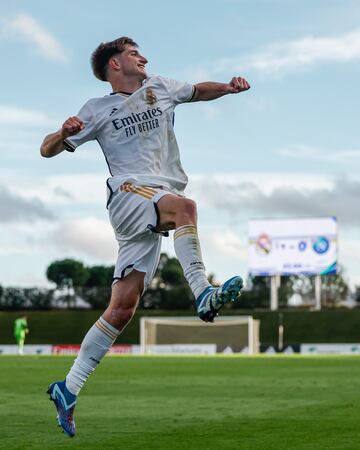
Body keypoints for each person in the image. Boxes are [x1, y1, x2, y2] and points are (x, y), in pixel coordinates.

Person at [41, 36, 250, 437]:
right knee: (185, 208)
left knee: (122, 308)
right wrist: (61, 131)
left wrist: (226, 87)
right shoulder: (96, 109)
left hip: (154, 199)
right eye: (135, 53)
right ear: (114, 64)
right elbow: (46, 149)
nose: (144, 58)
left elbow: (197, 90)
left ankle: (67, 389)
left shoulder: (161, 87)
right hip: (129, 193)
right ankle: (203, 291)